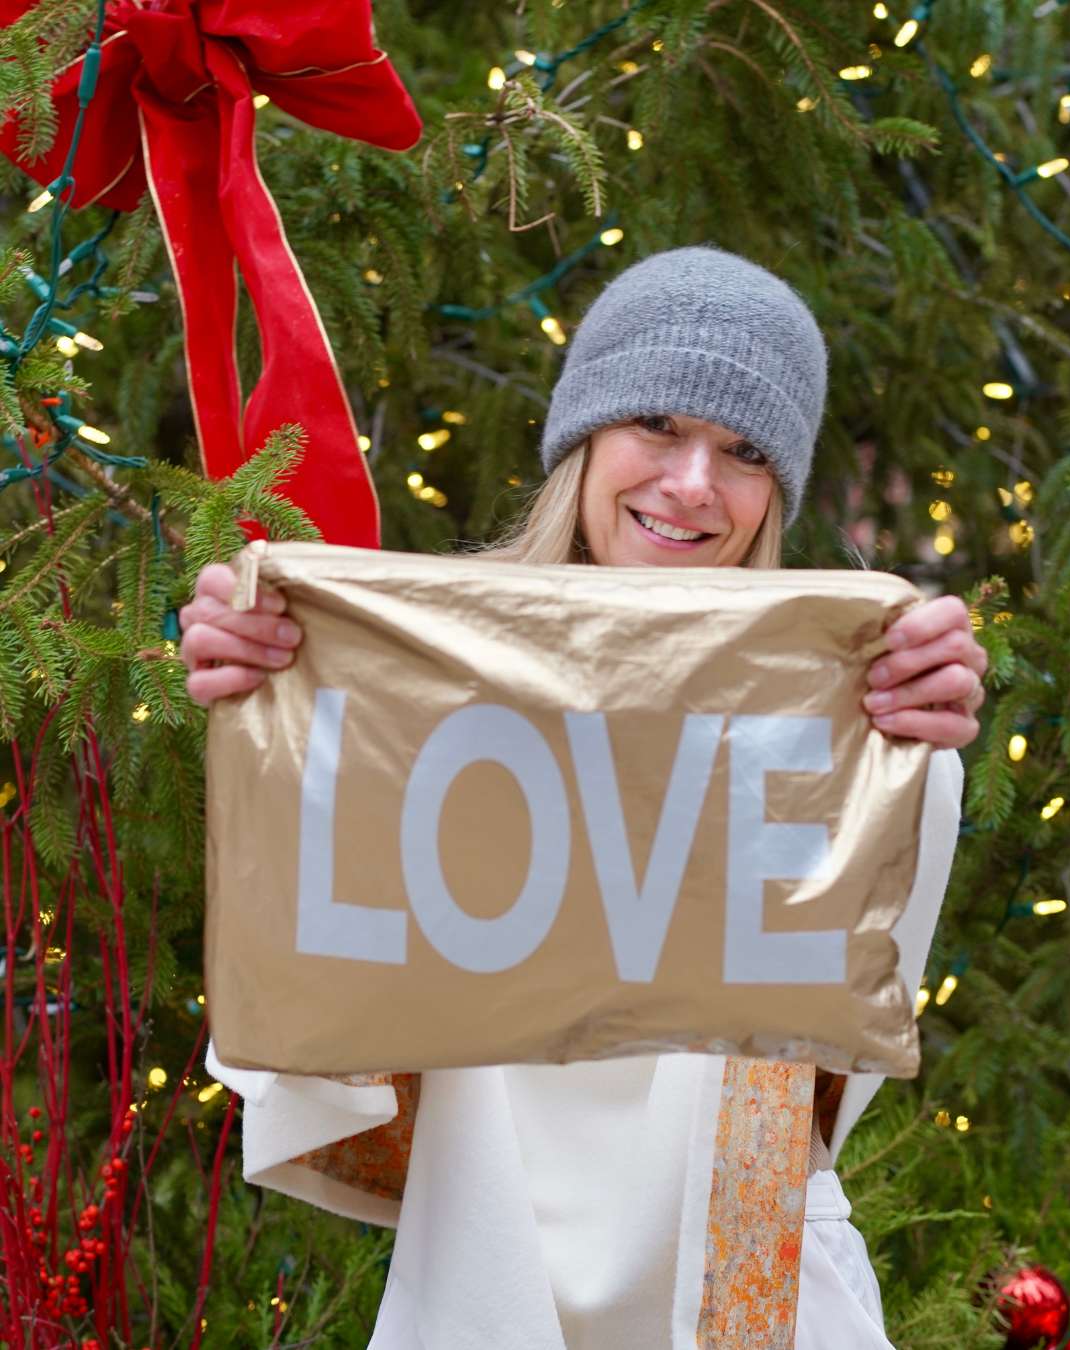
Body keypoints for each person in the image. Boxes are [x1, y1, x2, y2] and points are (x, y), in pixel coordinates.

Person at [181, 247, 987, 1349]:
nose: (694, 483)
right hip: (484, 1275)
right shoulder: (425, 694)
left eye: (745, 451)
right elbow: (313, 1008)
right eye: (657, 425)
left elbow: (839, 1038)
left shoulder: (834, 723)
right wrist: (269, 693)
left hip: (761, 1297)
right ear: (586, 440)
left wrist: (913, 733)